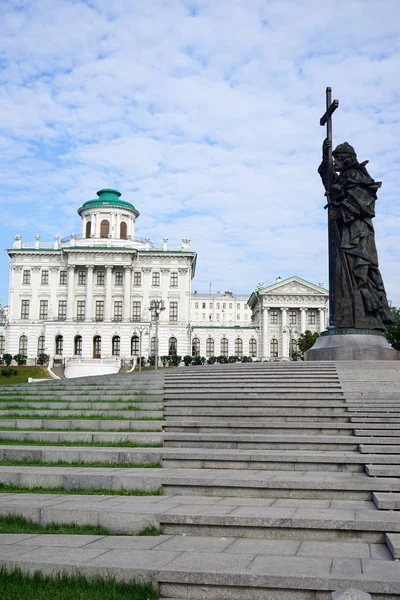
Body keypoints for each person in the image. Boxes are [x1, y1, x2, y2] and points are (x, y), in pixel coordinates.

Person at [318, 139, 394, 330]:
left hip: (356, 235)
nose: (335, 164)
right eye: (333, 160)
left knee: (356, 272)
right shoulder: (345, 176)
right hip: (345, 233)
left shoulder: (355, 175)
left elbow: (364, 202)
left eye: (337, 160)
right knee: (343, 274)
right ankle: (347, 318)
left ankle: (360, 317)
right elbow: (331, 183)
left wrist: (341, 212)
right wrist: (325, 159)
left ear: (346, 159)